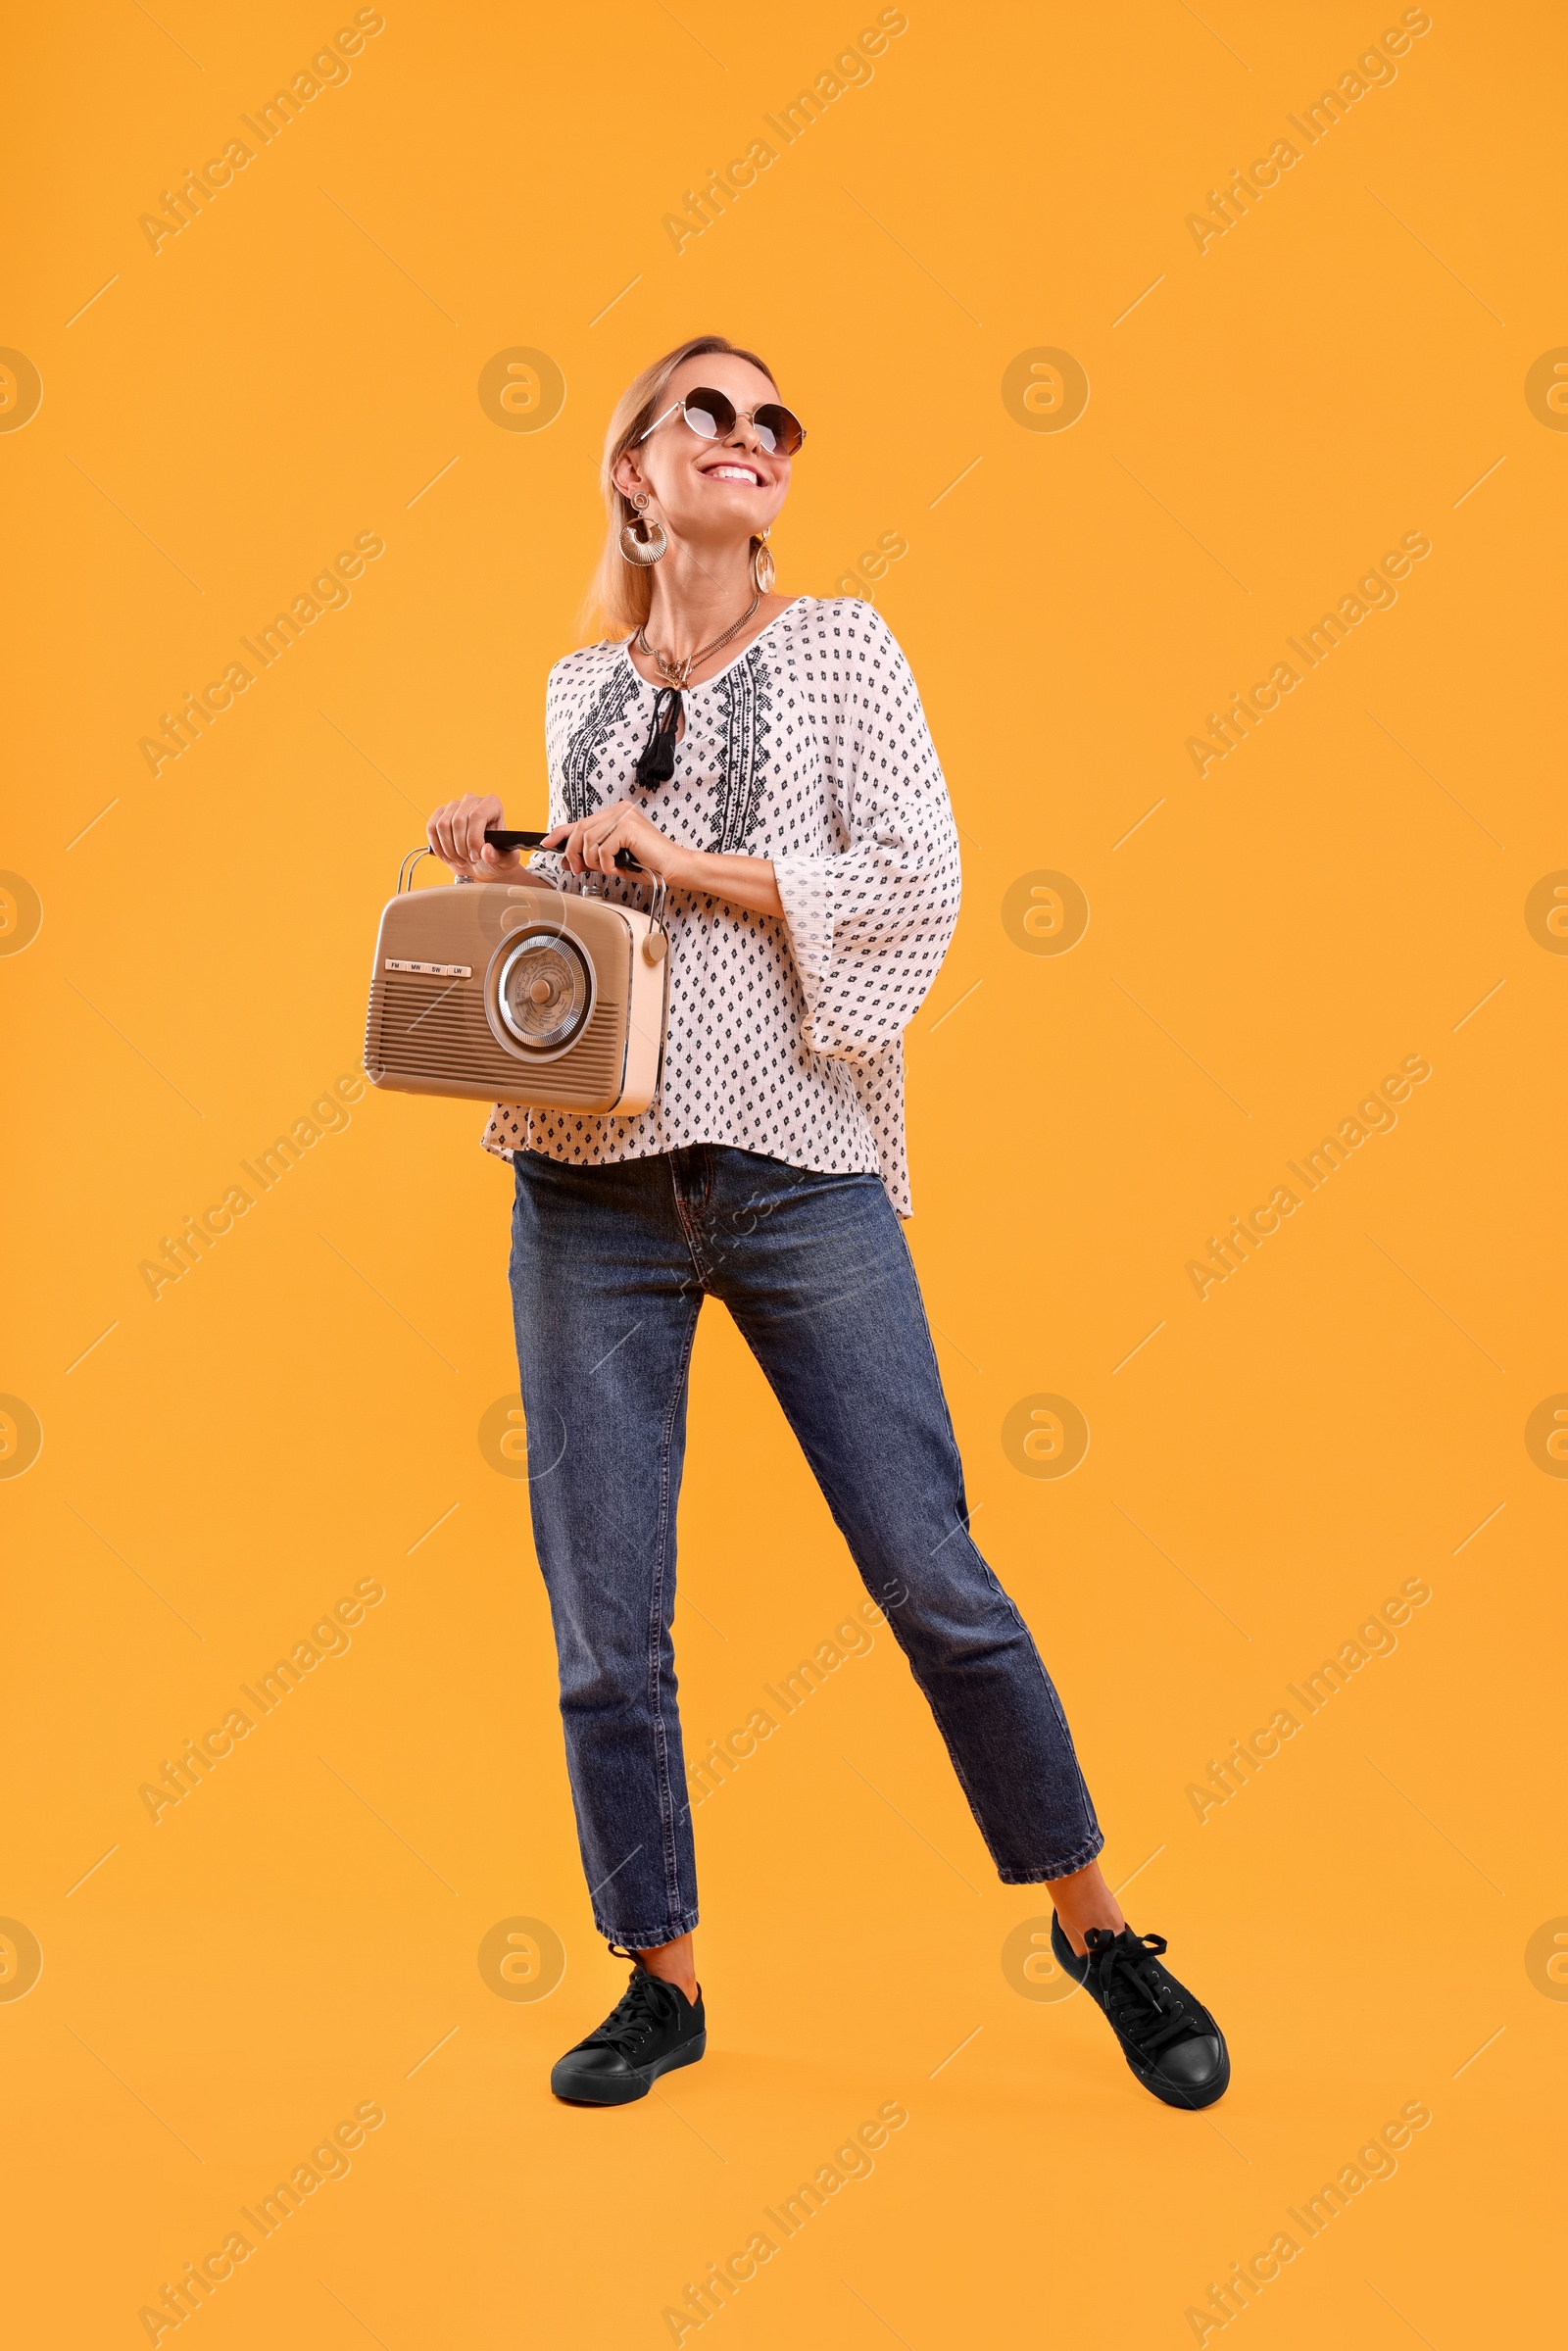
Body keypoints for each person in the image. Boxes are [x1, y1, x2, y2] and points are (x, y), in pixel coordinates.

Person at [426, 334, 1228, 2112]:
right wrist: (510, 879)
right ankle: (661, 1980)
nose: (749, 435)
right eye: (702, 411)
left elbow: (919, 881)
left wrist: (688, 869)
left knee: (935, 1576)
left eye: (772, 416)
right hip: (589, 1195)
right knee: (605, 1617)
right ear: (634, 475)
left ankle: (1099, 1930)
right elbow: (596, 942)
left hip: (797, 1174)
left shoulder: (847, 651)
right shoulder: (581, 688)